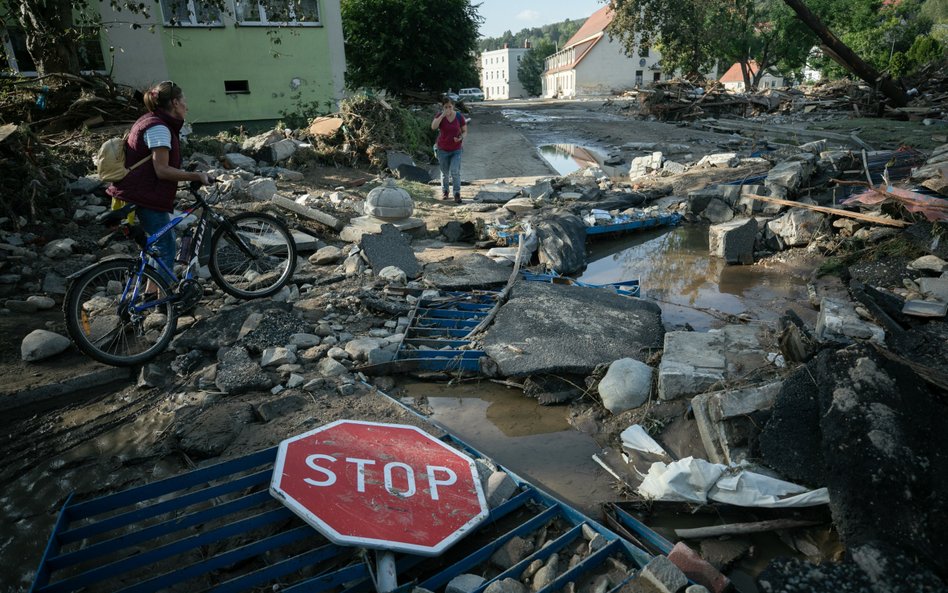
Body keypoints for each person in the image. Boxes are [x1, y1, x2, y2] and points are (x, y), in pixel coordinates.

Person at [107, 81, 211, 283]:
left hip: (139, 191)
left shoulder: (150, 120)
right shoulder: (159, 128)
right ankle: (161, 302)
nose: (186, 106)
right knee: (166, 247)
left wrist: (185, 172)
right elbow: (161, 170)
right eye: (184, 101)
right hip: (144, 195)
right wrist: (196, 176)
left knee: (159, 245)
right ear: (174, 102)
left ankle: (152, 294)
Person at [431, 96, 467, 203]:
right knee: (445, 173)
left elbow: (465, 131)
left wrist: (460, 138)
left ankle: (457, 193)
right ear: (443, 107)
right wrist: (442, 116)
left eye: (450, 107)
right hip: (442, 149)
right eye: (446, 107)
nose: (448, 109)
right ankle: (445, 192)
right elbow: (433, 127)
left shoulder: (459, 117)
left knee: (455, 171)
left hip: (456, 149)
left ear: (453, 106)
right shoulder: (440, 116)